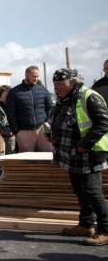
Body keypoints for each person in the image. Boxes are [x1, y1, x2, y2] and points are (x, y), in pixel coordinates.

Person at [50, 68, 108, 246]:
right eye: (55, 85)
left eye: (61, 84)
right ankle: (86, 224)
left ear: (72, 83)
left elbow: (103, 123)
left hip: (89, 153)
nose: (57, 88)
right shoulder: (63, 98)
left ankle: (106, 230)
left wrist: (85, 144)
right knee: (80, 191)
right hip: (71, 153)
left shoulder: (89, 96)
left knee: (93, 192)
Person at [6, 66, 53, 152]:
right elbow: (10, 113)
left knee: (47, 159)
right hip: (24, 132)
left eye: (37, 76)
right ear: (26, 75)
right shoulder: (14, 92)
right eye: (33, 76)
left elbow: (50, 108)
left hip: (42, 130)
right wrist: (16, 132)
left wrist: (48, 123)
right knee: (27, 162)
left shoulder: (43, 90)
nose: (36, 78)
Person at [0, 85, 15, 155]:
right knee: (0, 157)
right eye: (6, 94)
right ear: (0, 94)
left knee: (10, 156)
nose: (8, 96)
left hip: (10, 134)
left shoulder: (12, 105)